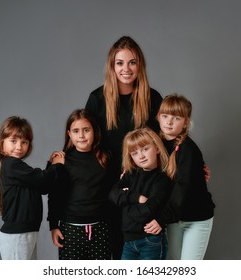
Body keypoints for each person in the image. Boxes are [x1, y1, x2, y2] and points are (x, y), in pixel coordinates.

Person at [85, 35, 163, 259]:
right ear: (112, 66)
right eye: (120, 63)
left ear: (140, 65)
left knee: (142, 253)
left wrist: (192, 166)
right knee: (112, 253)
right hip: (107, 188)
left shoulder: (152, 98)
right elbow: (82, 141)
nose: (126, 69)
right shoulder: (98, 99)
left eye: (132, 62)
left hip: (142, 189)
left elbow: (166, 140)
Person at [144, 94, 215, 260]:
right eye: (165, 116)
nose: (169, 122)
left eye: (176, 118)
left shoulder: (188, 150)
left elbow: (182, 188)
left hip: (196, 218)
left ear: (186, 122)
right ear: (158, 118)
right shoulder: (155, 144)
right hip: (174, 218)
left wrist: (161, 220)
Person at [0, 116, 59, 260]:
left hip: (26, 233)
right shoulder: (11, 164)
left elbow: (42, 186)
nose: (19, 147)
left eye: (24, 142)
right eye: (13, 141)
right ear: (2, 143)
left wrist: (50, 165)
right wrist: (57, 166)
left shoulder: (17, 168)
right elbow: (41, 179)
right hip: (17, 235)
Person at [47, 109, 112, 260]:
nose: (81, 135)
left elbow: (112, 192)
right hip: (70, 229)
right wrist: (53, 226)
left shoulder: (105, 157)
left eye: (86, 130)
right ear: (69, 133)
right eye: (76, 131)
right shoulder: (62, 160)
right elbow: (54, 195)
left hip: (101, 228)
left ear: (94, 131)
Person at [109, 128, 173, 260]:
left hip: (151, 241)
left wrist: (126, 206)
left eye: (145, 149)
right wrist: (137, 197)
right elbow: (113, 195)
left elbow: (148, 210)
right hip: (128, 242)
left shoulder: (162, 180)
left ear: (157, 149)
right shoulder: (130, 175)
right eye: (135, 153)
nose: (141, 156)